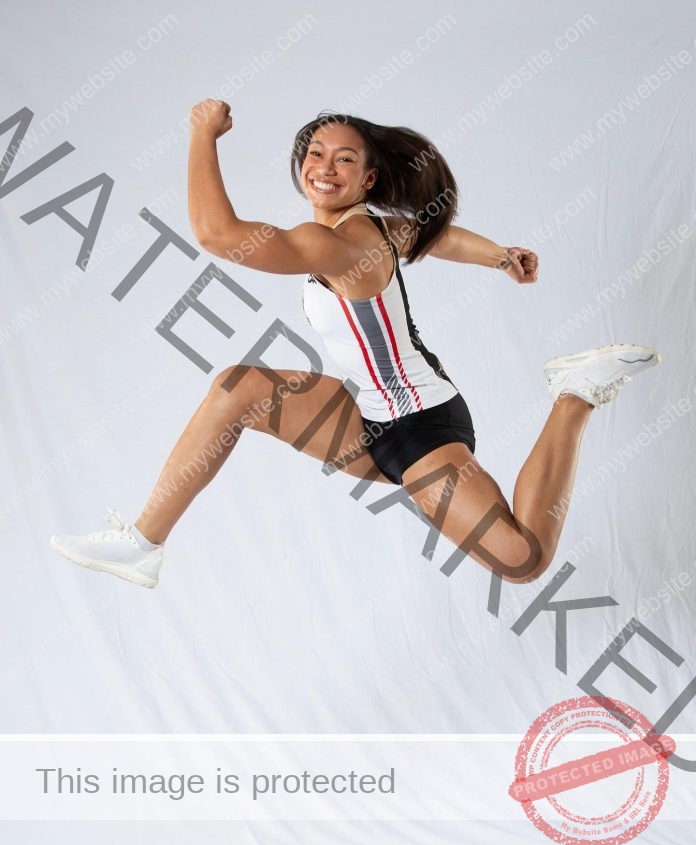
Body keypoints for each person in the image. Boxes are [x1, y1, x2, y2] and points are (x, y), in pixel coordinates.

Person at [50, 100, 661, 589]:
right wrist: (500, 255)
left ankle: (572, 396)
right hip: (370, 417)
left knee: (522, 559)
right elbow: (434, 236)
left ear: (367, 177)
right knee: (237, 389)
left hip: (422, 427)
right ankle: (143, 543)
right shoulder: (367, 227)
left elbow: (216, 234)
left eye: (345, 160)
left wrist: (201, 134)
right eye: (316, 153)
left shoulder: (338, 244)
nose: (325, 167)